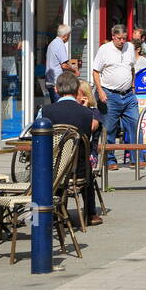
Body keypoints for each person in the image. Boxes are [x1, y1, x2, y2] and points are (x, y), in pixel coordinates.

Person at [41, 71, 102, 225]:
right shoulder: (87, 113)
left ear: (56, 89)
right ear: (77, 91)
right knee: (86, 167)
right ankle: (90, 213)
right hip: (78, 170)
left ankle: (53, 212)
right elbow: (86, 140)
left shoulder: (46, 111)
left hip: (53, 169)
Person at [91, 24, 139, 169]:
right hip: (110, 94)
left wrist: (132, 85)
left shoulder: (130, 47)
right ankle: (110, 160)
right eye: (119, 38)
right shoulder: (104, 49)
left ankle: (136, 158)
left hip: (128, 95)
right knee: (109, 128)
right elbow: (95, 72)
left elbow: (132, 68)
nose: (122, 41)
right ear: (113, 37)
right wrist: (100, 91)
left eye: (124, 38)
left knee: (135, 125)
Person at [45, 24, 72, 103]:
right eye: (69, 35)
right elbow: (64, 65)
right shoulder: (59, 44)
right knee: (59, 106)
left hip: (50, 80)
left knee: (54, 106)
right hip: (57, 82)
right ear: (66, 36)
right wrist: (74, 70)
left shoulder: (52, 43)